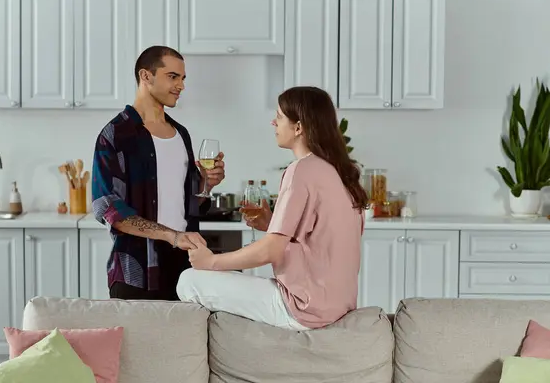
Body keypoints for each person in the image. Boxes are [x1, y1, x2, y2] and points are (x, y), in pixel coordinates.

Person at [176, 86, 368, 330]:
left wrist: (210, 261)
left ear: (298, 127)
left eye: (278, 117)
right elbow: (320, 242)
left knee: (189, 280)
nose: (273, 122)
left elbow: (271, 251)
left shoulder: (301, 170)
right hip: (338, 305)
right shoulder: (340, 173)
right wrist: (271, 224)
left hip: (304, 308)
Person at [91, 45, 225, 301]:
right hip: (137, 271)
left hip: (186, 267)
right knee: (137, 342)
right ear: (146, 76)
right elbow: (110, 210)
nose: (181, 86)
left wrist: (206, 185)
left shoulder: (181, 133)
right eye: (173, 77)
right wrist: (172, 236)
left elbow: (189, 203)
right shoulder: (115, 135)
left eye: (183, 78)